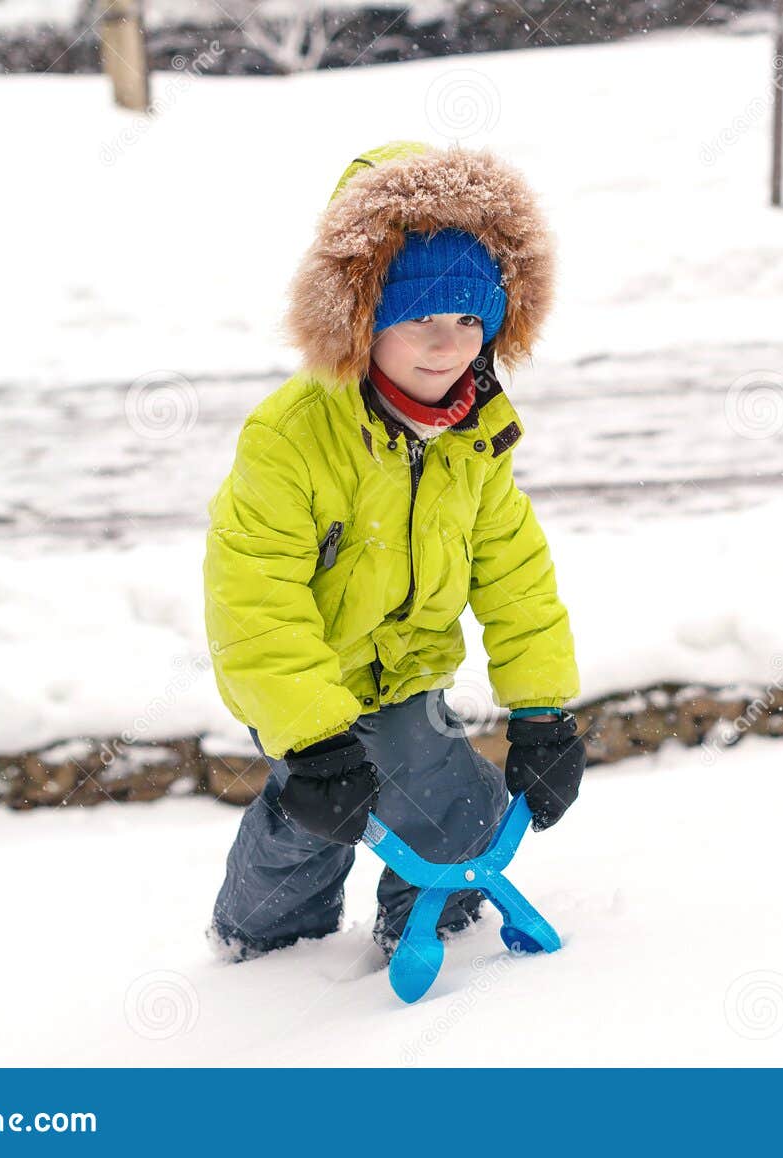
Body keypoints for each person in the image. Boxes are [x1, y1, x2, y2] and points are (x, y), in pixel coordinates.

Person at [203, 140, 586, 963]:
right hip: (315, 685)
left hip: (409, 676)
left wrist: (544, 711)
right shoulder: (293, 437)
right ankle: (258, 949)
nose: (447, 347)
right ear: (362, 317)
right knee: (312, 824)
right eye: (419, 318)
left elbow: (515, 572)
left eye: (468, 320)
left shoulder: (476, 434)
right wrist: (310, 739)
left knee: (459, 807)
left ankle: (428, 921)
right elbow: (254, 595)